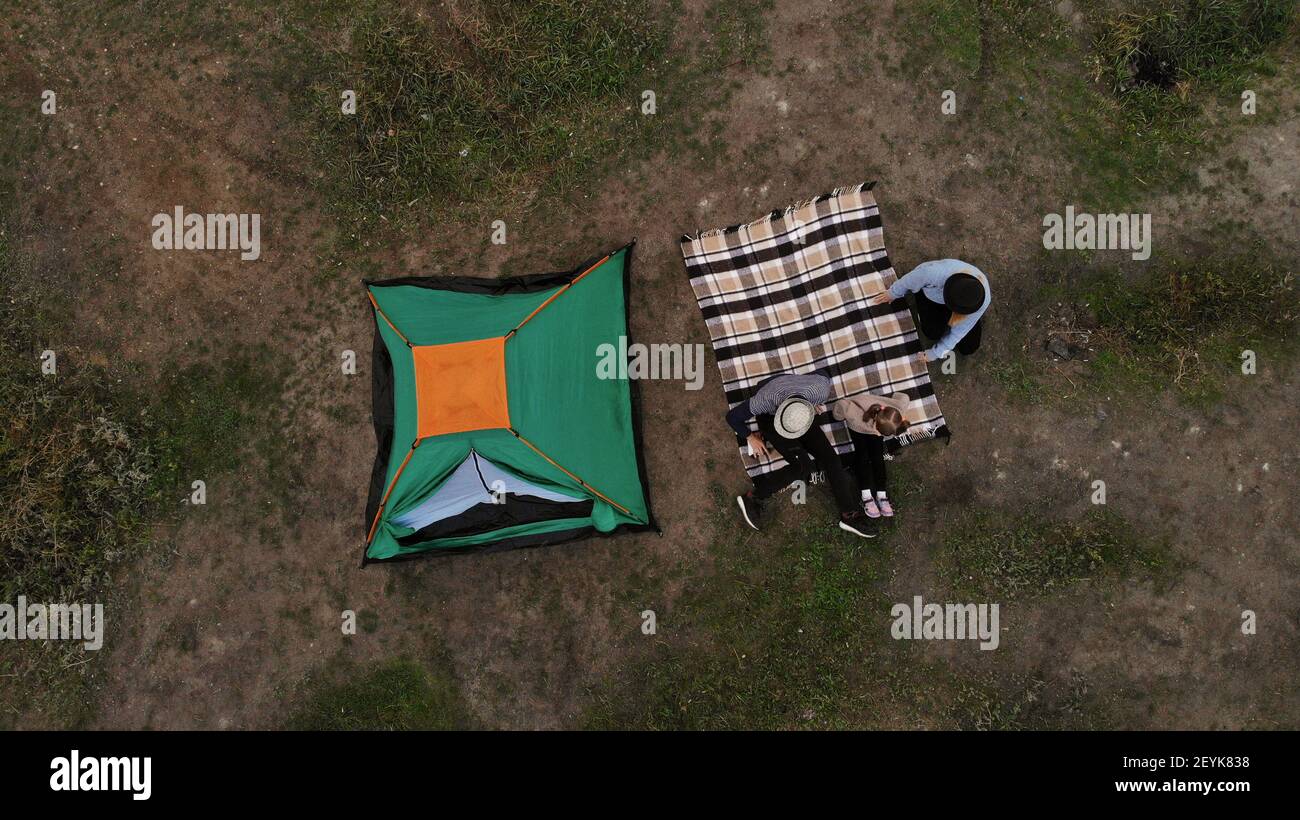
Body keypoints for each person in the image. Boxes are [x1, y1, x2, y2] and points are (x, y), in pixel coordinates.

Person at [725, 372, 874, 538]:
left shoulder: (819, 390)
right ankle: (752, 497)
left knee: (831, 459)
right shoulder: (765, 400)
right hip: (773, 420)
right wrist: (750, 437)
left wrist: (809, 404)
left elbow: (822, 375)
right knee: (803, 466)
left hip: (801, 413)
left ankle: (849, 515)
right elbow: (732, 417)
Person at [870, 259, 990, 361]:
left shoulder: (980, 302)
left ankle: (971, 320)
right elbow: (910, 280)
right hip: (931, 295)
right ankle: (921, 301)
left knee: (969, 348)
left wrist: (935, 354)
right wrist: (893, 293)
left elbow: (960, 332)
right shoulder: (933, 273)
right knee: (932, 332)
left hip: (965, 306)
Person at [832, 392, 911, 519]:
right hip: (859, 427)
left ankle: (881, 494)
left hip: (876, 427)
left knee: (878, 456)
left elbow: (904, 397)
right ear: (876, 425)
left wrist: (893, 398)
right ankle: (866, 495)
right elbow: (840, 405)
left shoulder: (898, 410)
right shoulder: (853, 414)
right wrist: (839, 416)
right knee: (862, 455)